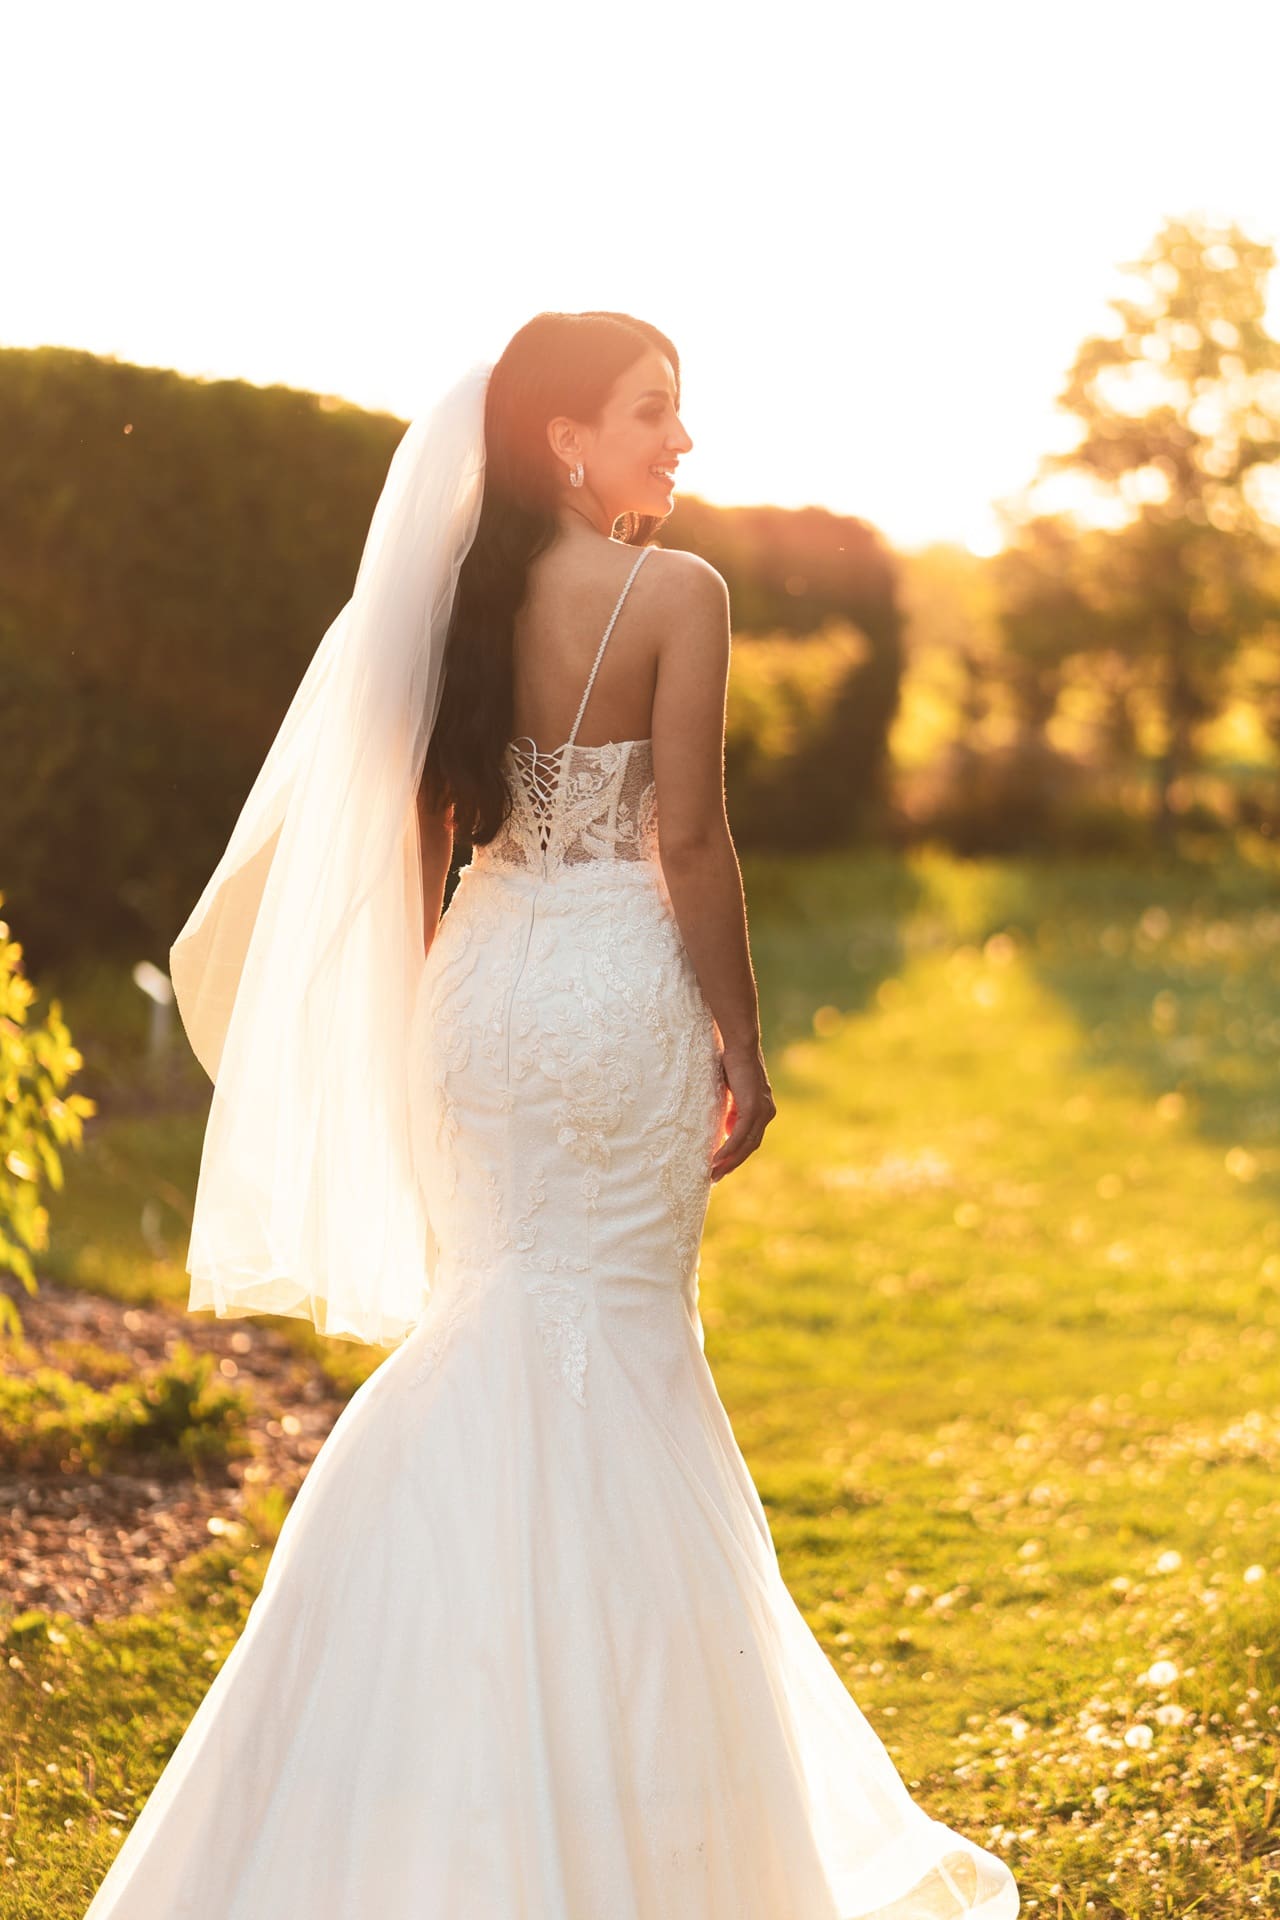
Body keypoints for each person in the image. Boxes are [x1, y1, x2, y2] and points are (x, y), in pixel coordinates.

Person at [84, 311, 1020, 1918]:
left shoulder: (450, 602)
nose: (682, 442)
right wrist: (740, 1033)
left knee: (497, 1317)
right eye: (654, 412)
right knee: (621, 1344)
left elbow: (427, 831)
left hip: (484, 986)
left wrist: (437, 999)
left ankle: (415, 1756)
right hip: (612, 996)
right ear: (565, 441)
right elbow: (694, 847)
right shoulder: (679, 596)